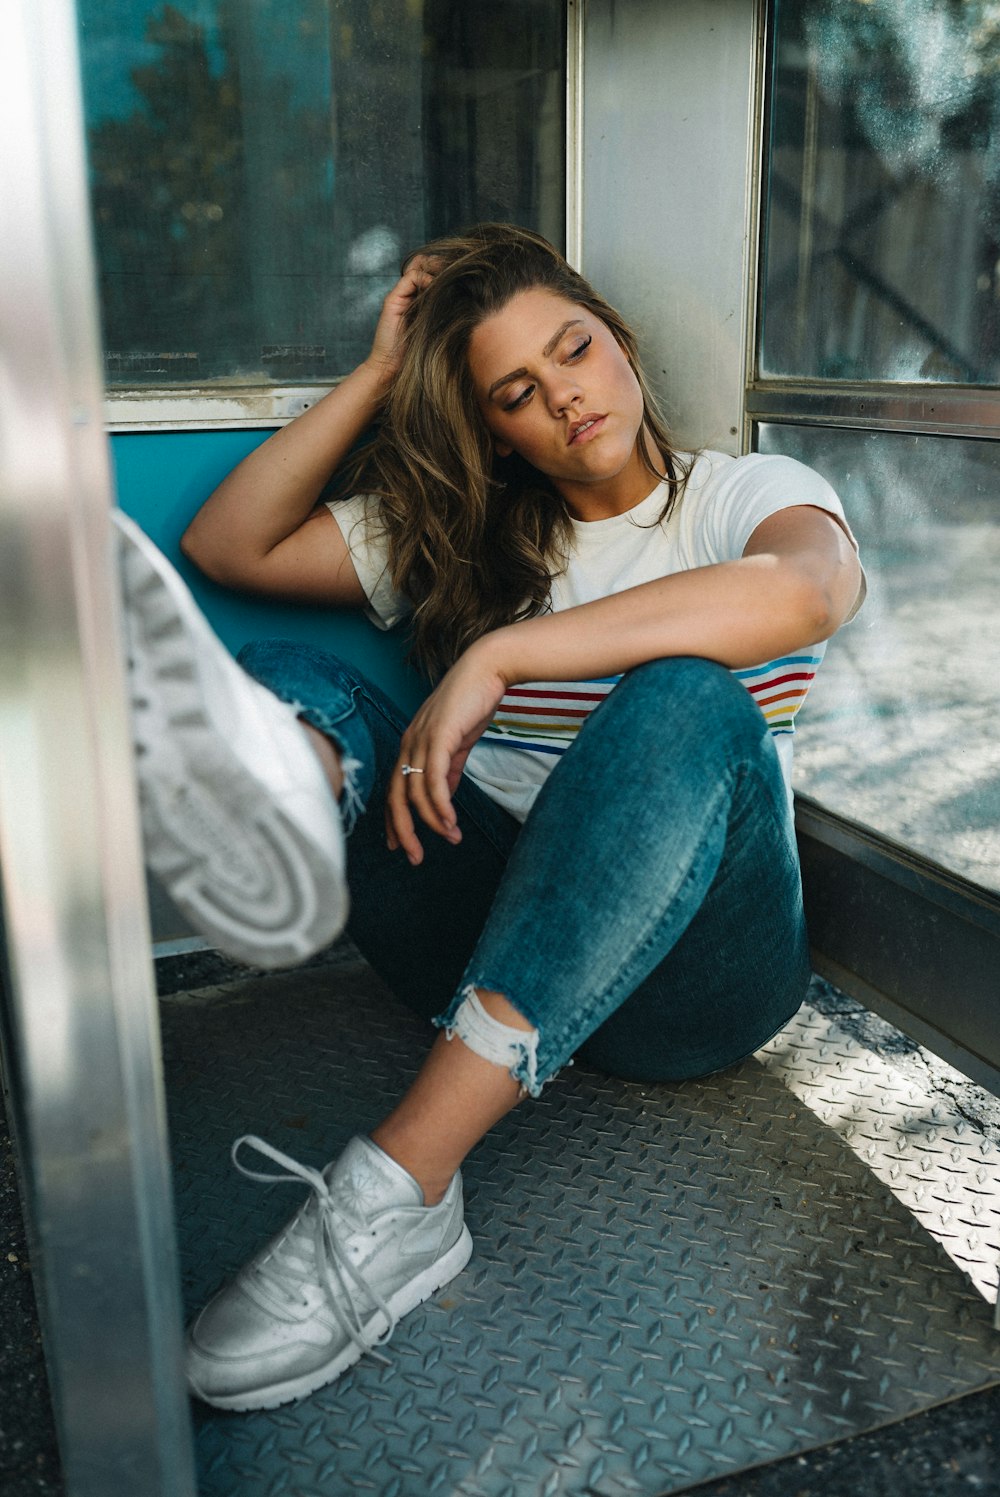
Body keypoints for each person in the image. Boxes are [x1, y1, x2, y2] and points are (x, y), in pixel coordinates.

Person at [115, 223, 864, 1412]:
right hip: (485, 950)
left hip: (696, 994)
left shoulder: (739, 495)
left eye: (572, 350)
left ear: (617, 341)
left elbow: (806, 589)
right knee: (297, 684)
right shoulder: (469, 535)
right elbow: (228, 544)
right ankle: (277, 817)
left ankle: (399, 1194)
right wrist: (377, 373)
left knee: (682, 696)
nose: (562, 397)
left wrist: (504, 655)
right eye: (515, 392)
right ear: (493, 427)